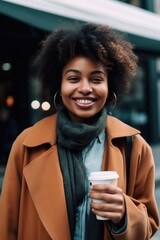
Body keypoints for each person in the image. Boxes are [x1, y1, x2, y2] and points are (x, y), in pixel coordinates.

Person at [0, 23, 159, 240]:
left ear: (110, 86)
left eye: (96, 79)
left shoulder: (134, 146)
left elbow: (149, 225)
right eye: (73, 78)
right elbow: (7, 226)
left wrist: (124, 214)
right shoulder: (26, 145)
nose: (85, 88)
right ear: (59, 84)